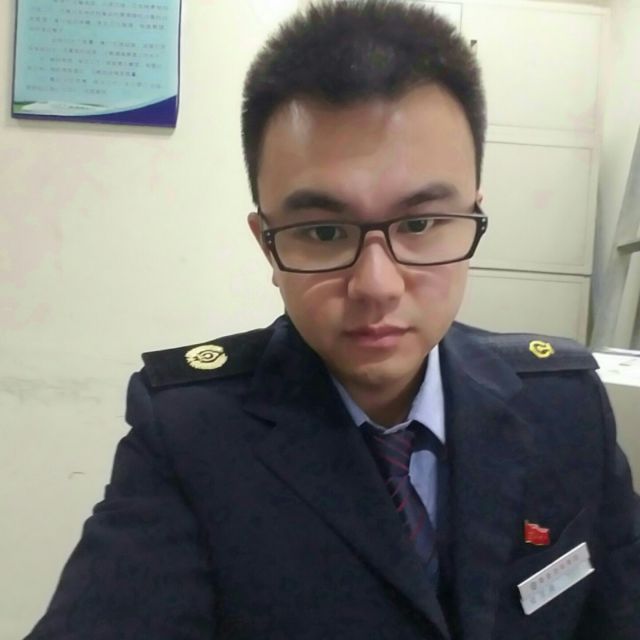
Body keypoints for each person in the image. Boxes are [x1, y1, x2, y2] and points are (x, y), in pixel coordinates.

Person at [25, 1, 640, 639]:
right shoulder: (191, 436)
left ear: (473, 215)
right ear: (268, 245)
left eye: (420, 223)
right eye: (323, 231)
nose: (376, 285)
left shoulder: (564, 407)